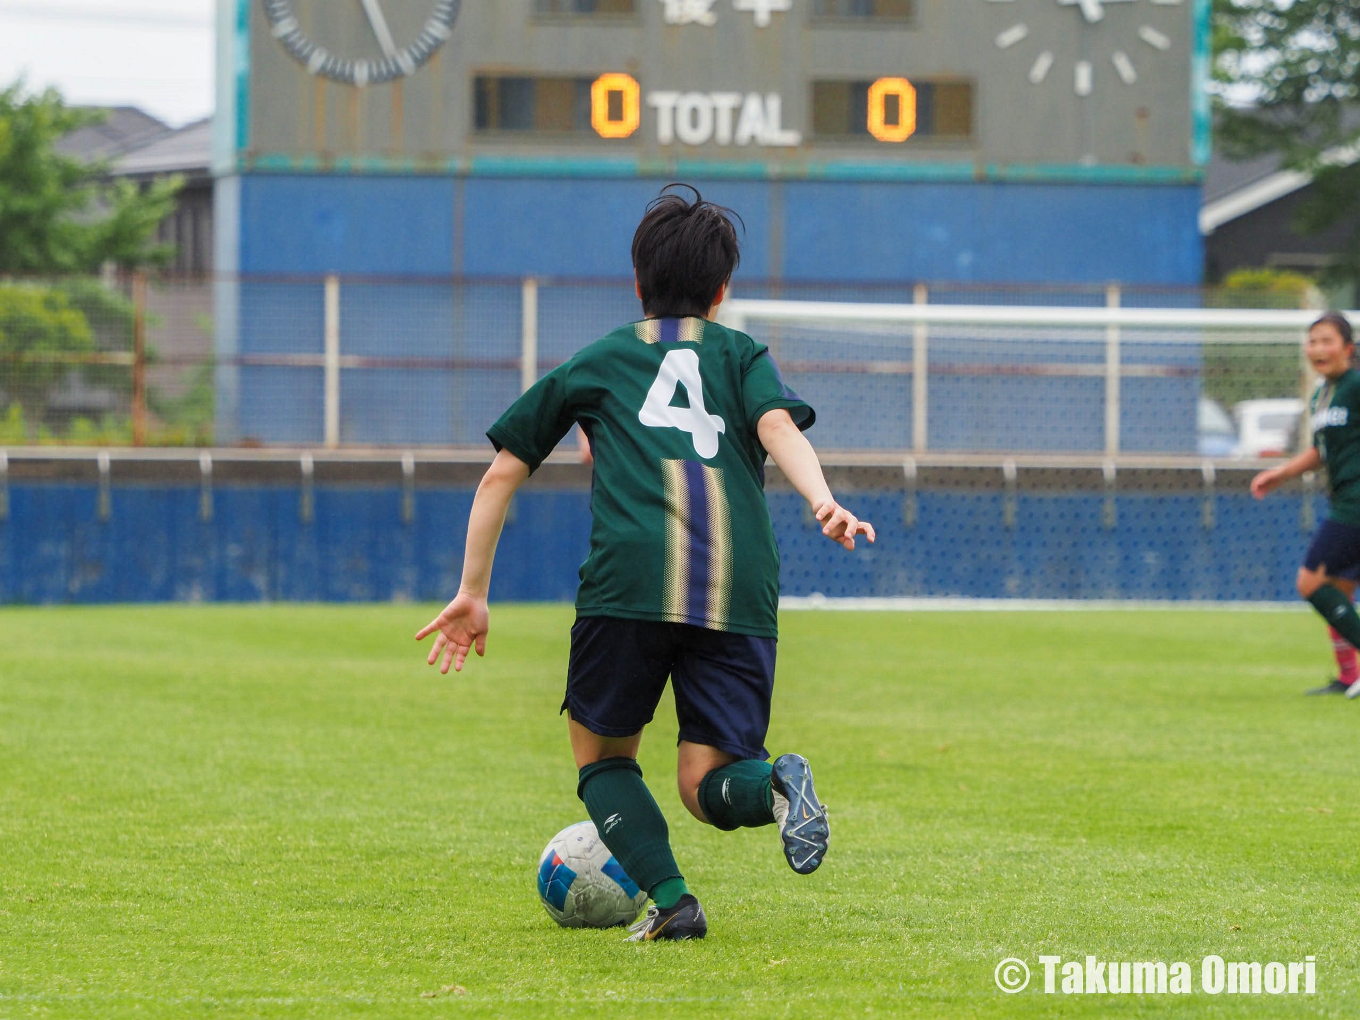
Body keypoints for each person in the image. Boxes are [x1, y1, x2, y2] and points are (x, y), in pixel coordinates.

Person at [416, 185, 875, 941]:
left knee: (601, 761)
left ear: (637, 283)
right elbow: (776, 425)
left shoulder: (600, 359)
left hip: (628, 581)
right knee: (706, 783)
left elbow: (502, 471)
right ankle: (776, 790)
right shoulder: (742, 354)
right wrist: (822, 498)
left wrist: (473, 590)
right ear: (722, 293)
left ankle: (674, 901)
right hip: (738, 584)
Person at [1252, 312, 1360, 697]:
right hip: (1344, 499)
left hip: (1356, 502)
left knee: (1311, 581)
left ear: (1348, 348)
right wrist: (1281, 473)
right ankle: (1350, 677)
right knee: (1340, 589)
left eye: (1327, 340)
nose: (1318, 348)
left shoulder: (1356, 384)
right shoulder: (1320, 395)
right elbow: (1321, 450)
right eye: (1312, 340)